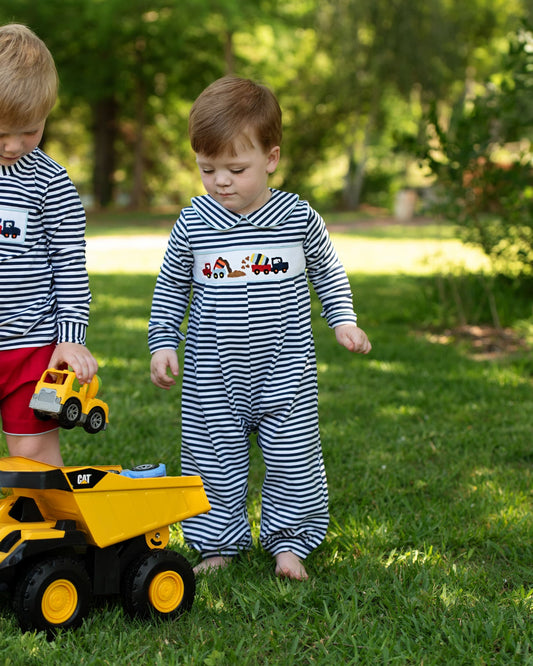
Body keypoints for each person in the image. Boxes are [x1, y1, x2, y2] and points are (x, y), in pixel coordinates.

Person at [149, 76, 371, 580]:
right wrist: (163, 343)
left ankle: (290, 544)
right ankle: (217, 545)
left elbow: (328, 272)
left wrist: (343, 320)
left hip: (285, 373)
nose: (220, 180)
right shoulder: (193, 222)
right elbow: (170, 291)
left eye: (236, 168)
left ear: (271, 158)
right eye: (207, 169)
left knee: (294, 464)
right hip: (212, 377)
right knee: (212, 464)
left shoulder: (297, 217)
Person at [0, 24, 98, 466]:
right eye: (1, 132)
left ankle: (45, 532)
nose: (12, 145)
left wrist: (70, 339)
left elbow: (70, 266)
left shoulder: (51, 184)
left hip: (31, 346)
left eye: (29, 131)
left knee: (33, 455)